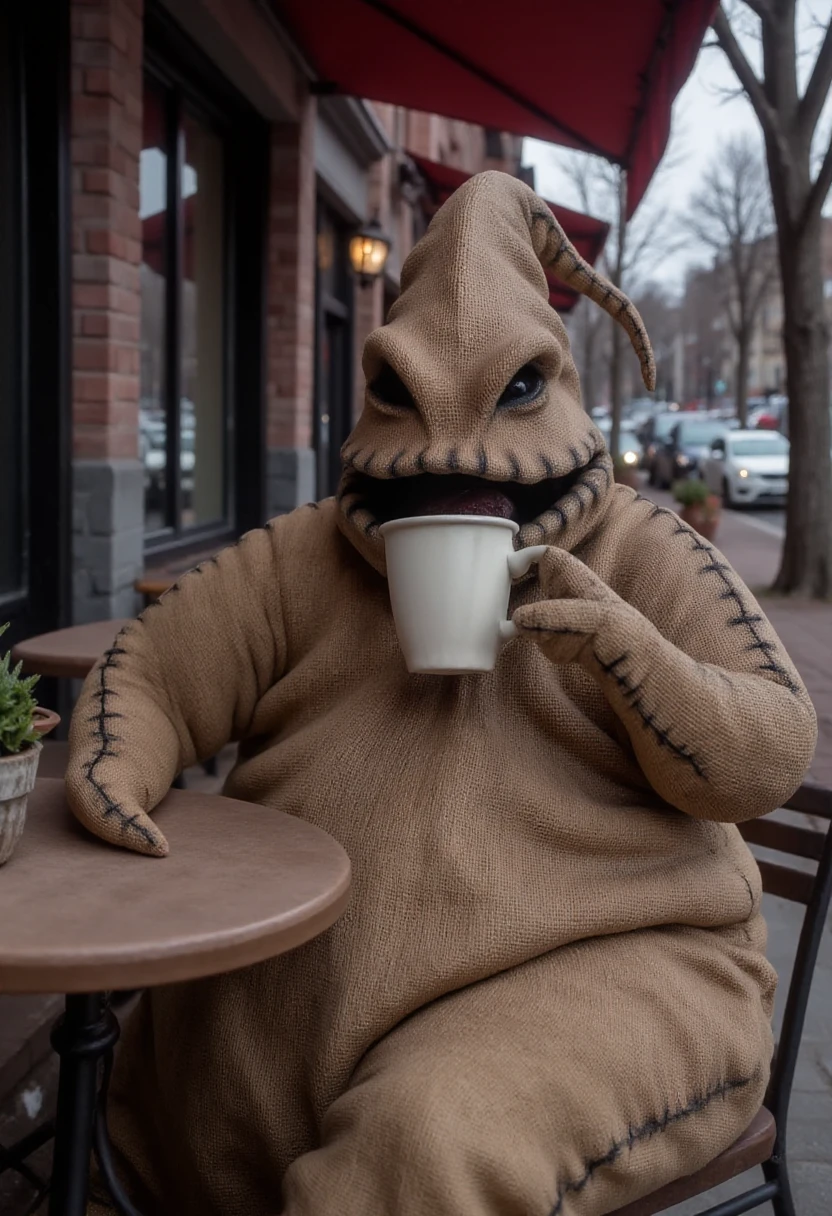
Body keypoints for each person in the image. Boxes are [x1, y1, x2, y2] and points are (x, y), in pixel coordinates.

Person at [68, 172, 816, 1216]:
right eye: (406, 398)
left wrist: (625, 655)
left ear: (550, 386)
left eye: (510, 390)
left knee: (426, 1151)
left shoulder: (642, 551)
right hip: (293, 967)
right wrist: (119, 763)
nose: (453, 463)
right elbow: (155, 667)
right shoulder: (305, 555)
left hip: (609, 961)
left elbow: (770, 746)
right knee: (153, 1083)